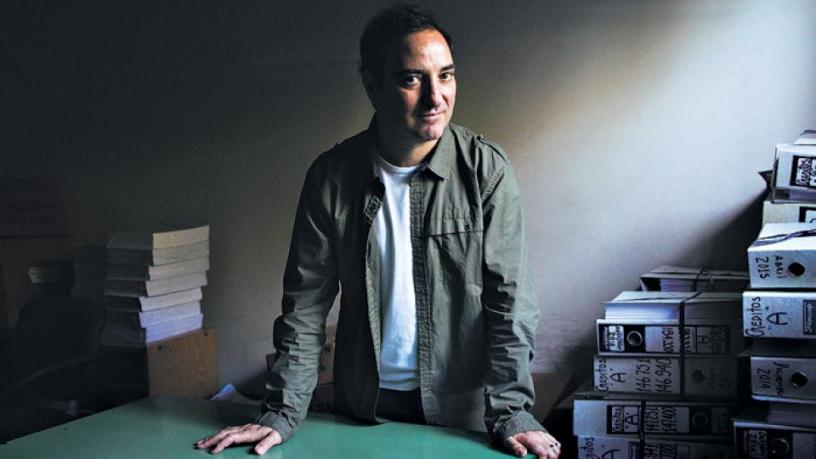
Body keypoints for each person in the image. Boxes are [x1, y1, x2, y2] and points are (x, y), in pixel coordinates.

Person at [196, 3, 560, 458]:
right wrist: (282, 413)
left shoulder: (486, 170)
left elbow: (510, 305)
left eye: (446, 76)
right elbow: (305, 306)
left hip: (459, 412)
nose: (436, 98)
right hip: (364, 409)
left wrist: (511, 412)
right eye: (412, 79)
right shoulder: (331, 177)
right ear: (373, 86)